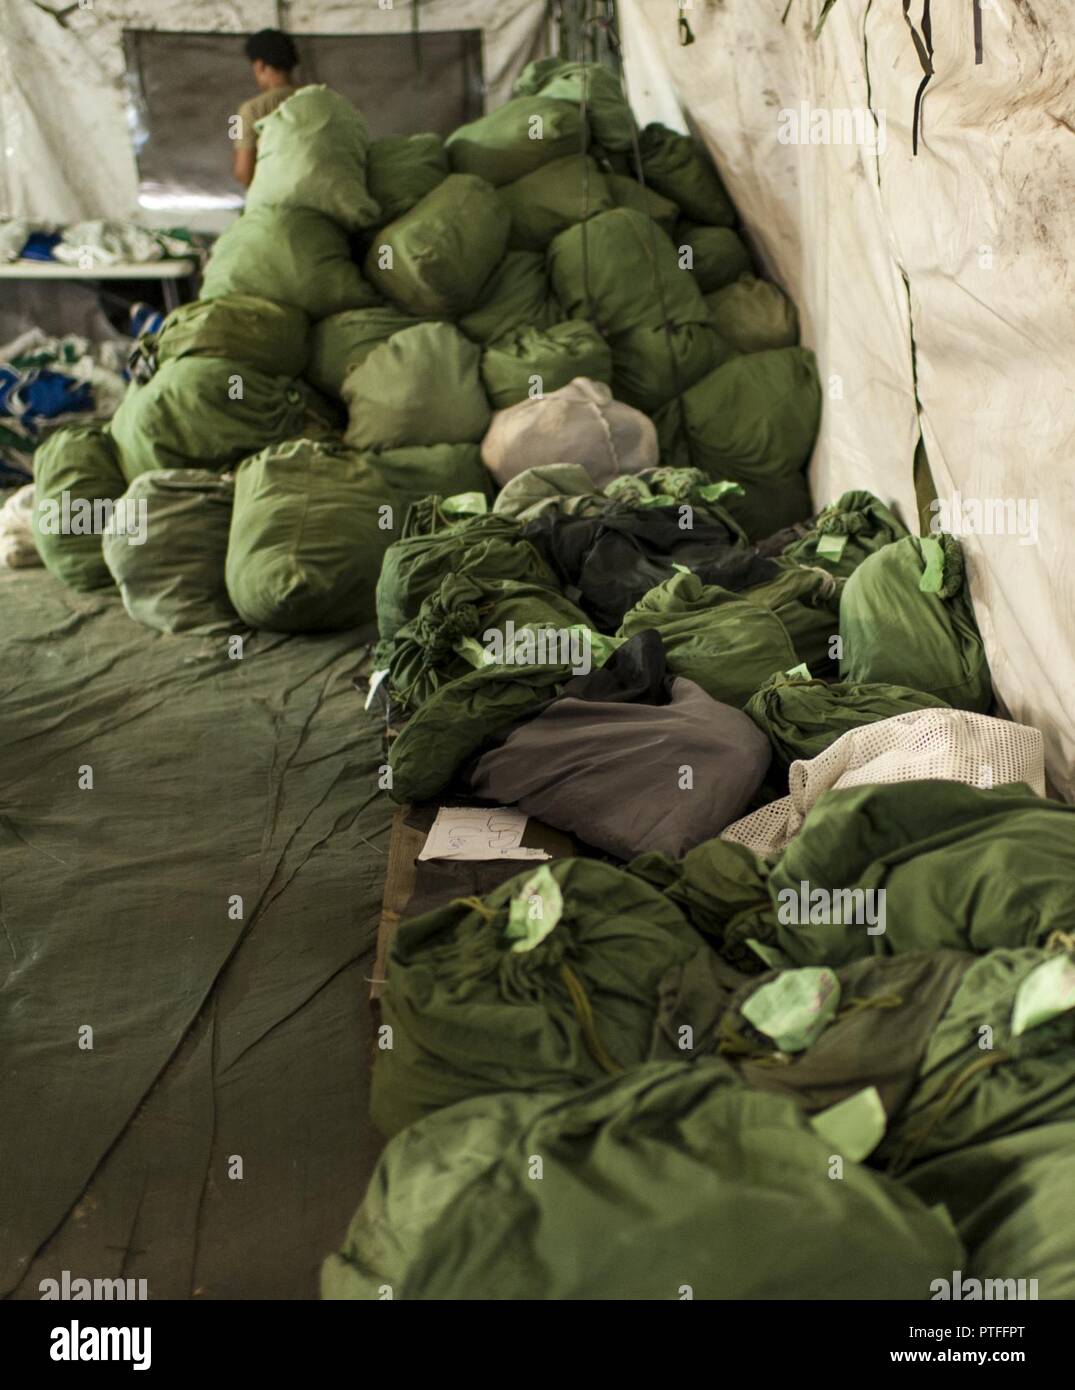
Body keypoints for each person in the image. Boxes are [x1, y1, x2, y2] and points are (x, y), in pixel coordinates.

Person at [233, 29, 299, 189]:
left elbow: (244, 172)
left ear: (259, 65)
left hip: (274, 206)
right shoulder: (320, 101)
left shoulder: (250, 110)